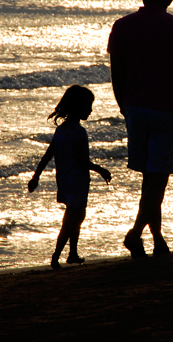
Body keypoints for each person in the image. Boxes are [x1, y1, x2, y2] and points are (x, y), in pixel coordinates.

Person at [108, 0, 173, 258]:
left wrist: (125, 106)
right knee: (156, 180)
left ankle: (157, 239)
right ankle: (135, 234)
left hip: (136, 110)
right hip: (168, 109)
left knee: (151, 178)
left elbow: (116, 74)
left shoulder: (122, 26)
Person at [28, 85, 112, 269]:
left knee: (75, 216)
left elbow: (47, 155)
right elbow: (81, 160)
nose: (90, 110)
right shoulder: (79, 132)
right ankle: (56, 255)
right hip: (78, 181)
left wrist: (36, 177)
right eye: (88, 106)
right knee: (72, 219)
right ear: (79, 107)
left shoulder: (61, 130)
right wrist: (100, 170)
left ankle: (72, 253)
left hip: (65, 181)